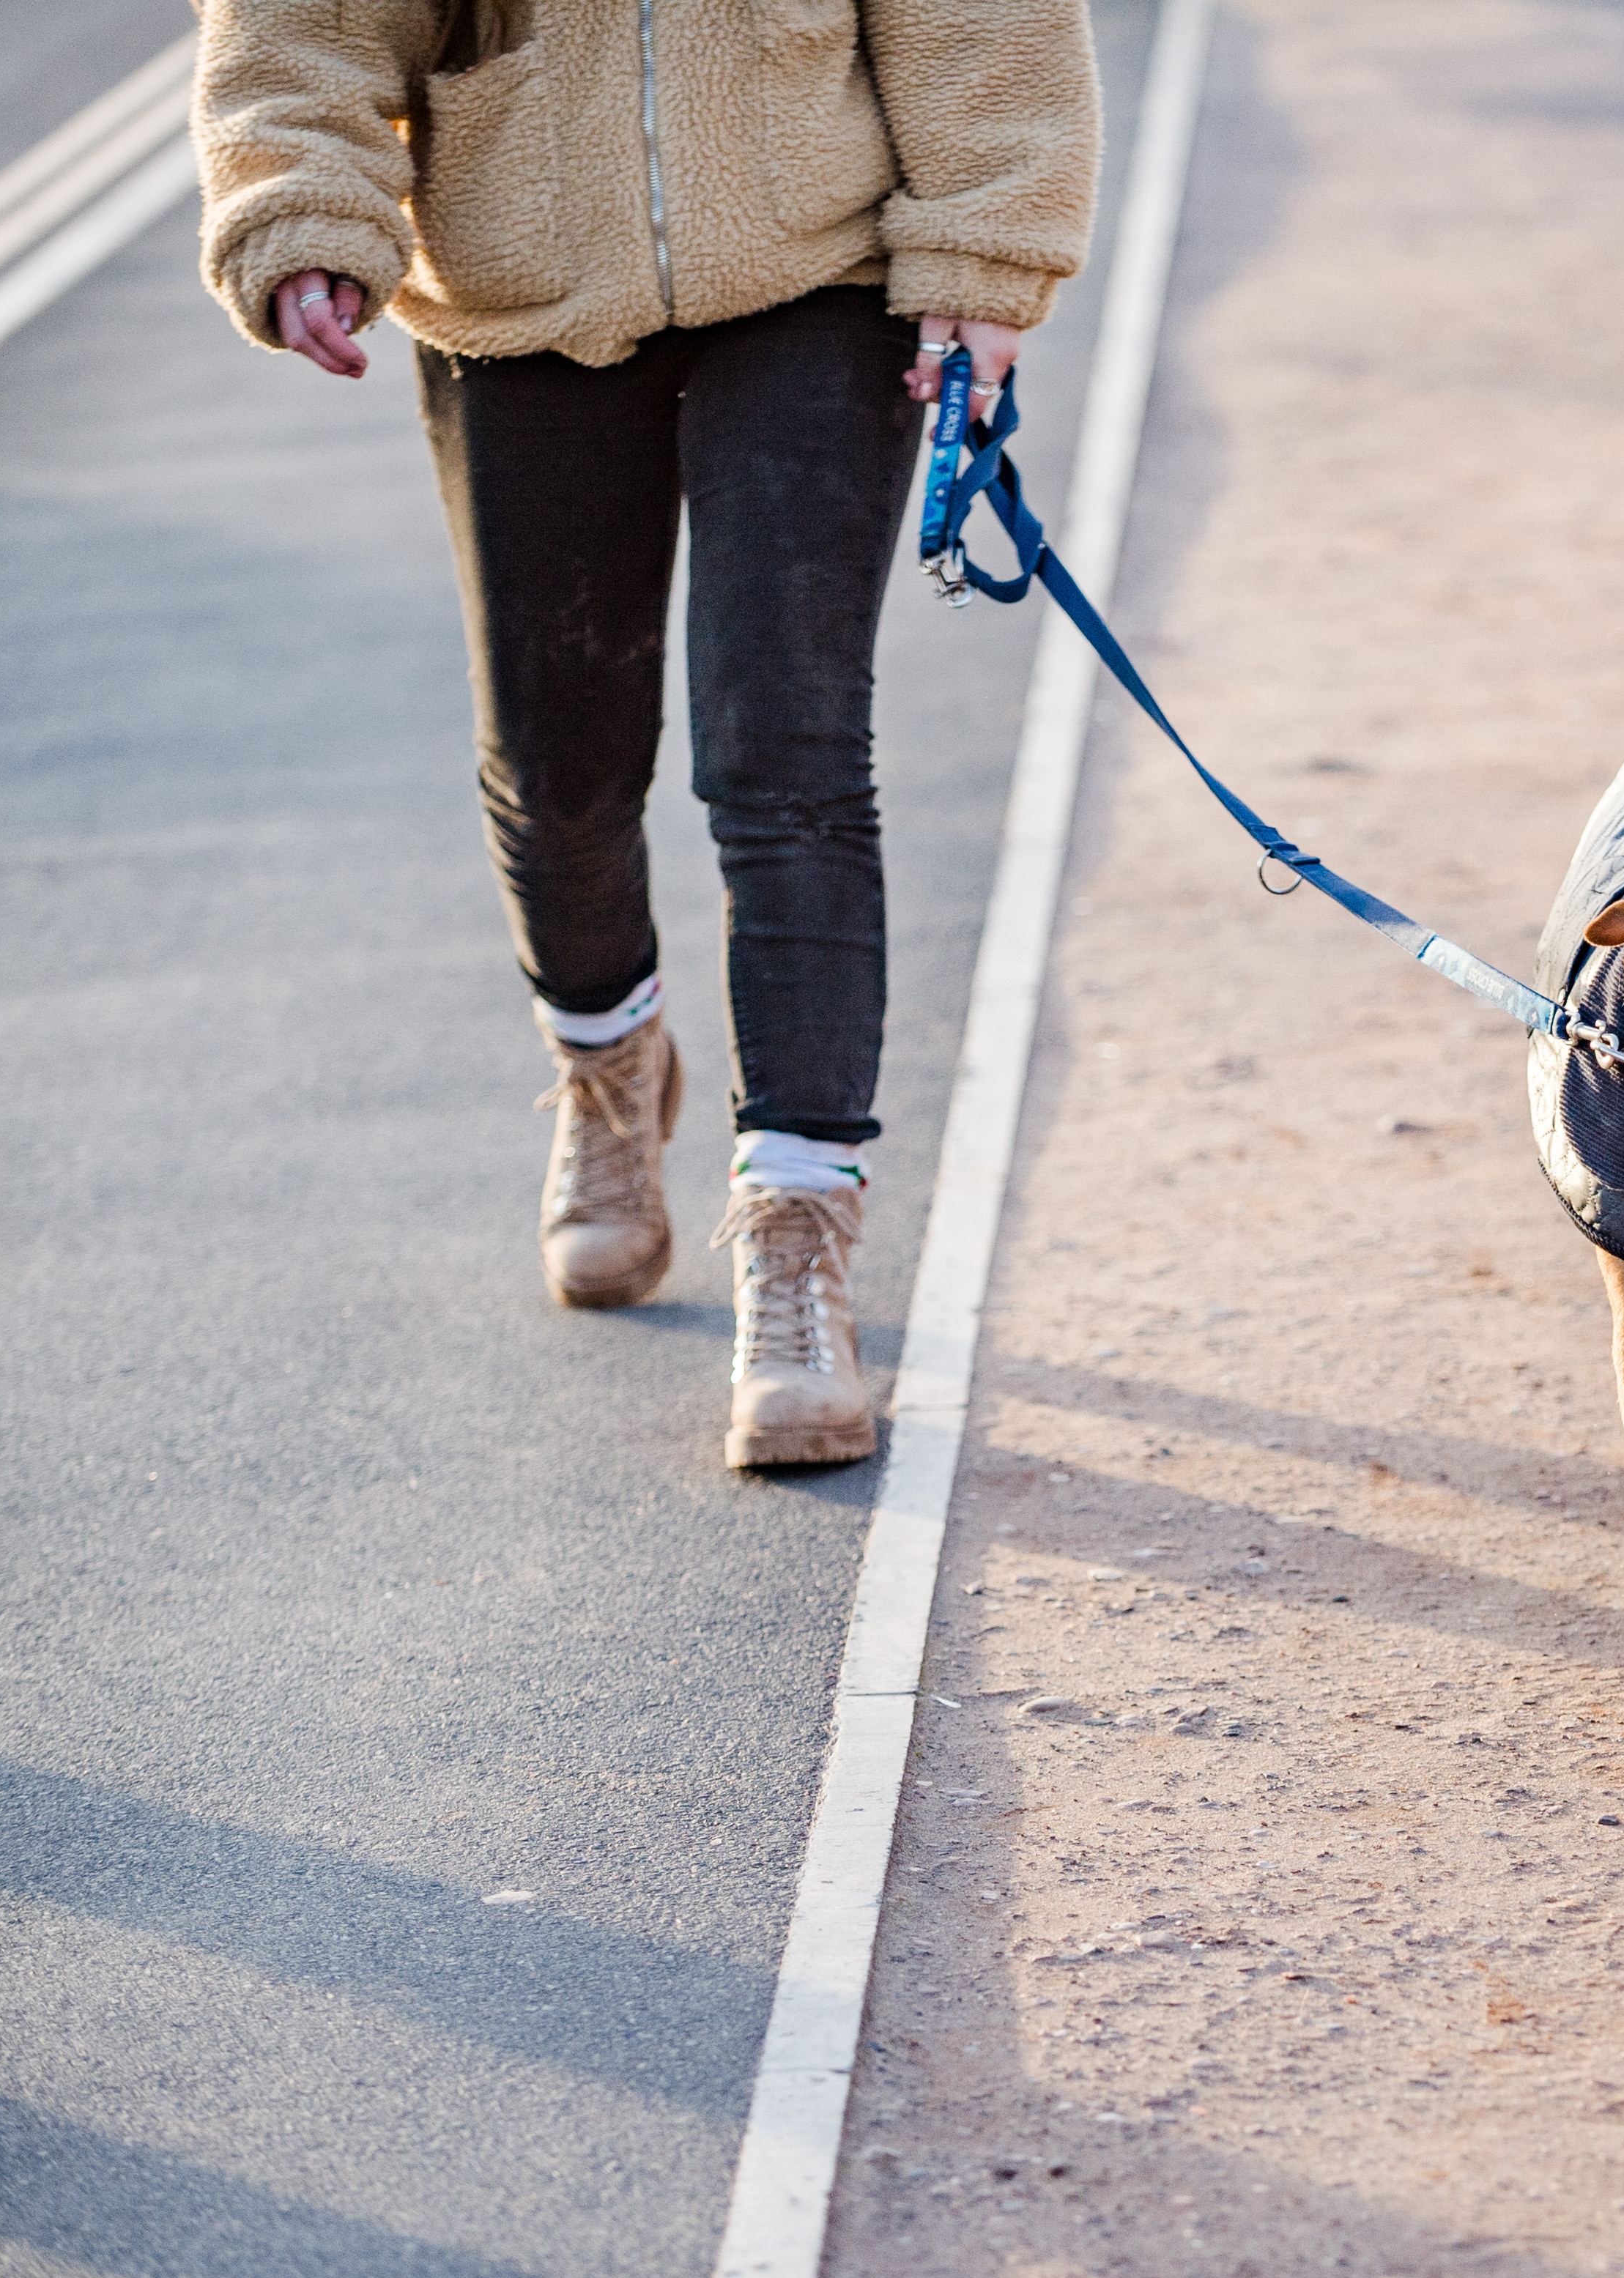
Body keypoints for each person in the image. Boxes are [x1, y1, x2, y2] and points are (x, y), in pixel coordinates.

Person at [190, 0, 1099, 1468]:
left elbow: (978, 18)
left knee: (789, 765)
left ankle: (797, 1253)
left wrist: (986, 251)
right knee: (560, 778)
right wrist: (301, 209)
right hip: (516, 285)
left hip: (816, 268)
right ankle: (611, 1067)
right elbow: (304, 26)